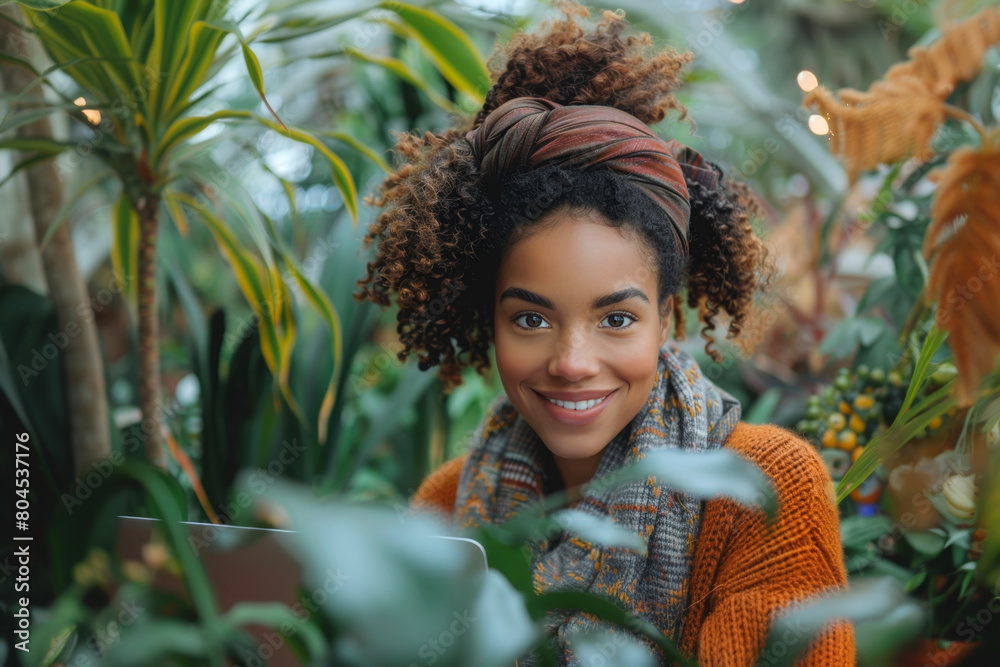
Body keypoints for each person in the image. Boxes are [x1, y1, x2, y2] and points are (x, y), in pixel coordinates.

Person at [355, 2, 854, 664]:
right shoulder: (445, 506)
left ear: (666, 320)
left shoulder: (764, 488)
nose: (572, 361)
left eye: (616, 318)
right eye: (531, 318)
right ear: (491, 322)